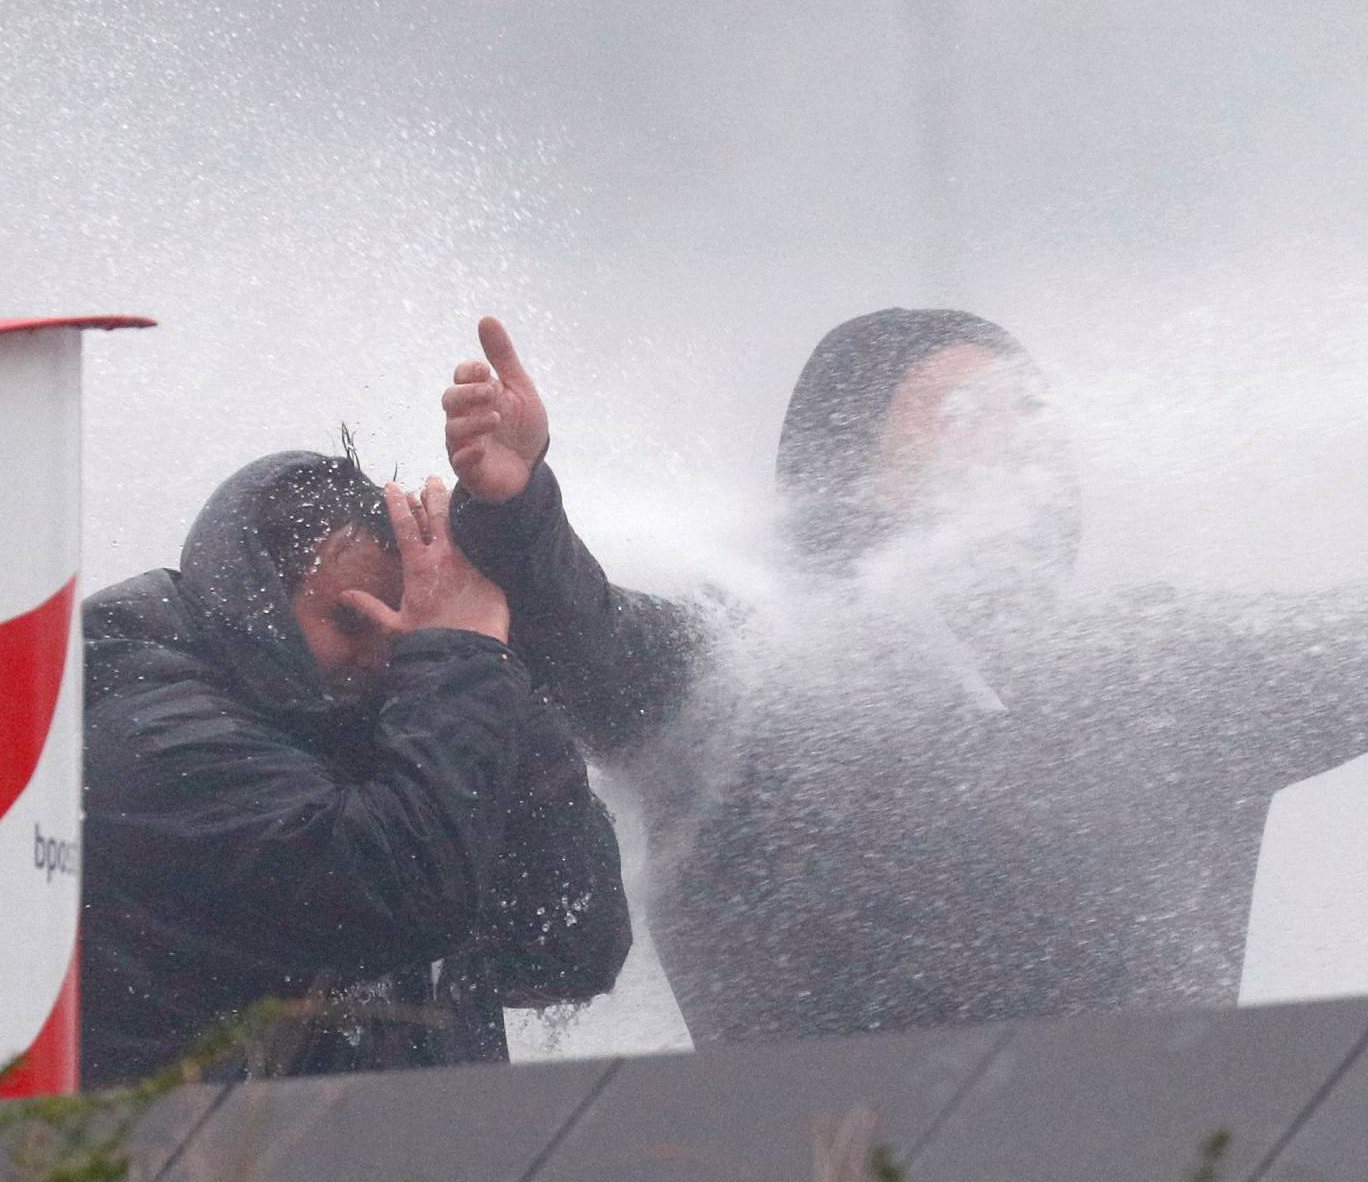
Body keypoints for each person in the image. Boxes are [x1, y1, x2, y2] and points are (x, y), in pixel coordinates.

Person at [443, 310, 1368, 1047]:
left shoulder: (1154, 674)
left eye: (1029, 416)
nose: (1015, 445)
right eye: (964, 415)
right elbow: (589, 637)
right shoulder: (749, 676)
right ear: (844, 461)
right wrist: (518, 511)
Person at [76, 448, 630, 1082]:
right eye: (349, 618)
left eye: (406, 625)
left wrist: (506, 682)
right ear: (253, 595)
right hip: (187, 1172)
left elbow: (569, 945)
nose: (383, 654)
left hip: (389, 1167)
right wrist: (463, 662)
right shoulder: (144, 719)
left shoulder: (408, 716)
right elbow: (394, 894)